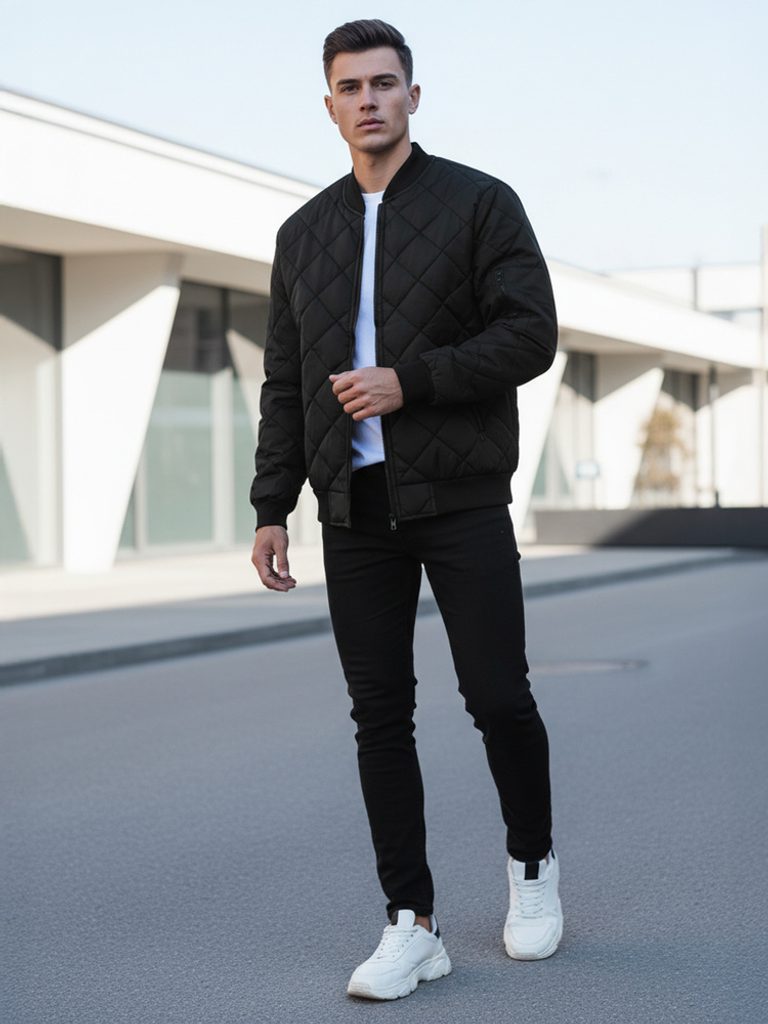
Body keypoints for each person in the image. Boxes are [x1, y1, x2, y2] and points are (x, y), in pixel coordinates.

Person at [250, 18, 563, 1001]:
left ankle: (532, 867)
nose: (369, 100)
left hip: (461, 498)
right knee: (379, 716)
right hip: (354, 509)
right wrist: (272, 503)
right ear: (330, 106)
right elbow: (285, 382)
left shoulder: (479, 203)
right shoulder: (303, 235)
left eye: (385, 83)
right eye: (351, 87)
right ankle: (411, 923)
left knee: (499, 697)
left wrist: (409, 381)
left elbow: (531, 335)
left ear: (413, 96)